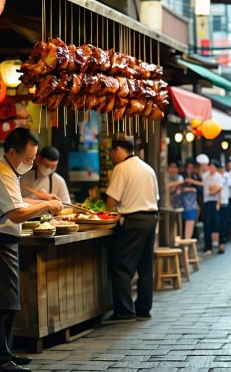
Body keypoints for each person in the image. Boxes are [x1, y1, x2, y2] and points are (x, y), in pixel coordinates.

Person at [0, 128, 63, 372]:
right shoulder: (1, 174)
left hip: (0, 241)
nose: (31, 164)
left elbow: (18, 203)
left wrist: (44, 201)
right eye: (28, 159)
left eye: (33, 159)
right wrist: (46, 204)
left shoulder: (8, 171)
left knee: (3, 303)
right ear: (12, 152)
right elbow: (16, 213)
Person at [103, 138, 159, 324]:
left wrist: (107, 209)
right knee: (145, 266)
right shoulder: (148, 168)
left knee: (121, 266)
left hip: (132, 220)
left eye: (112, 152)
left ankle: (124, 311)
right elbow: (155, 196)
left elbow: (112, 201)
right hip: (150, 219)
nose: (112, 156)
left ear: (118, 150)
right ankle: (143, 309)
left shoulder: (122, 168)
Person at [200, 159, 222, 255]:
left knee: (216, 224)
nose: (211, 168)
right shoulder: (205, 176)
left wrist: (218, 203)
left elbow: (219, 190)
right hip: (206, 201)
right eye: (210, 166)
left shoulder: (218, 176)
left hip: (214, 202)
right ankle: (207, 246)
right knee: (206, 224)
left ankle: (217, 244)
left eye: (213, 166)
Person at [181, 158, 201, 239]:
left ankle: (191, 240)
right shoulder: (182, 176)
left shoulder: (195, 176)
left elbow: (201, 188)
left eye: (192, 167)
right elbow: (180, 189)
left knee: (193, 222)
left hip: (193, 204)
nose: (190, 169)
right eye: (188, 167)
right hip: (183, 204)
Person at [217, 161, 231, 253]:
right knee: (219, 222)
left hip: (225, 200)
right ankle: (220, 241)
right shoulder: (216, 176)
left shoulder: (227, 176)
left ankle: (223, 240)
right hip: (217, 201)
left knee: (224, 221)